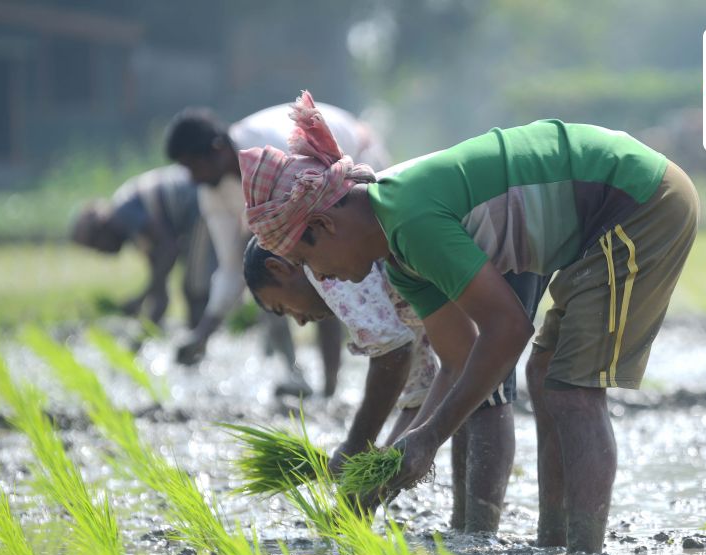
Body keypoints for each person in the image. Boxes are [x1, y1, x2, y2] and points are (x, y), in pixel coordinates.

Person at [243, 92, 700, 553]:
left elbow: (508, 329)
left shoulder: (410, 218)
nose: (321, 277)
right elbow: (459, 359)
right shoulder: (401, 258)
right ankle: (553, 546)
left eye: (309, 259)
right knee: (545, 376)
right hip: (600, 218)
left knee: (572, 388)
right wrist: (403, 451)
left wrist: (430, 437)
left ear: (325, 224)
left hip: (636, 198)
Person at [242, 232, 546, 531]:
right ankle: (467, 532)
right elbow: (421, 400)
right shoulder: (391, 299)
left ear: (281, 268)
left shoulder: (328, 272)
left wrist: (356, 444)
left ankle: (480, 543)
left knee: (487, 396)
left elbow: (393, 356)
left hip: (488, 246)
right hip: (458, 267)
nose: (299, 321)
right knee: (465, 397)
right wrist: (365, 493)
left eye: (283, 308)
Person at [163, 101, 388, 396]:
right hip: (311, 213)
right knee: (268, 278)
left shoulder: (277, 155)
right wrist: (203, 333)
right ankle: (296, 376)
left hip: (358, 161)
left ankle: (333, 387)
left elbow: (321, 240)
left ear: (217, 149)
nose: (192, 179)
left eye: (193, 166)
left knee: (328, 276)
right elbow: (233, 267)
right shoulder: (213, 193)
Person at [70, 165, 215, 328]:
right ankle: (197, 337)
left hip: (199, 201)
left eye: (97, 246)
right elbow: (160, 286)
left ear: (102, 229)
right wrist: (147, 328)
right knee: (192, 285)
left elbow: (169, 249)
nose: (102, 252)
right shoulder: (135, 233)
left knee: (194, 287)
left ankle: (200, 340)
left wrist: (141, 298)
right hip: (193, 204)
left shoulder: (124, 214)